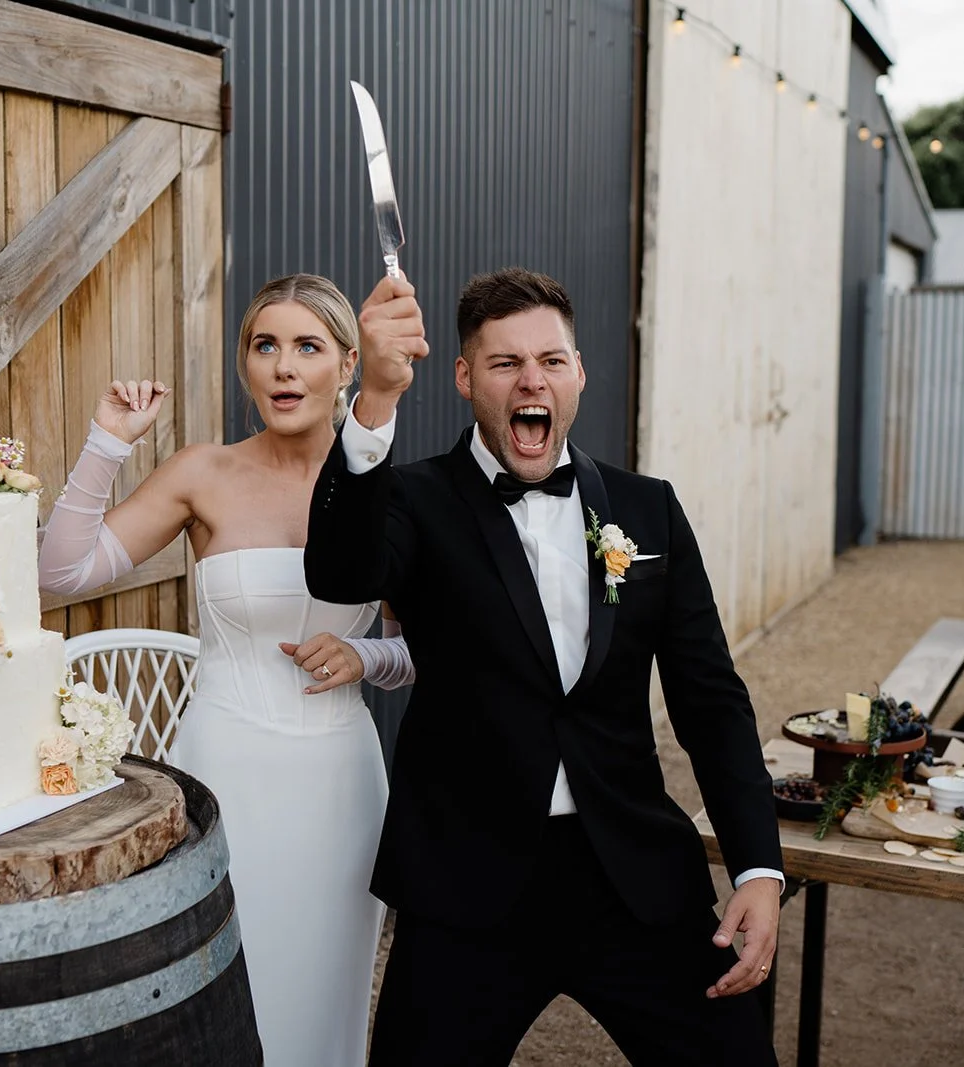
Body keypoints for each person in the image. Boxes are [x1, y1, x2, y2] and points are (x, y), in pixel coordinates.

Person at [303, 267, 784, 1065]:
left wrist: (758, 866)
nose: (532, 379)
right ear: (465, 378)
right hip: (467, 882)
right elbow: (339, 572)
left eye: (551, 360)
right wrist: (376, 400)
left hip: (629, 872)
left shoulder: (649, 507)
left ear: (578, 373)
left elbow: (711, 700)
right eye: (505, 363)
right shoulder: (414, 500)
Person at [38, 274, 414, 1066]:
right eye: (264, 345)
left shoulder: (390, 491)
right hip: (224, 771)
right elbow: (61, 572)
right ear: (245, 363)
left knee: (325, 997)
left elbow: (421, 650)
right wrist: (108, 441)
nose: (284, 367)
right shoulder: (201, 473)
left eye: (307, 346)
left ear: (350, 362)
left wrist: (366, 653)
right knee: (215, 992)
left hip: (340, 787)